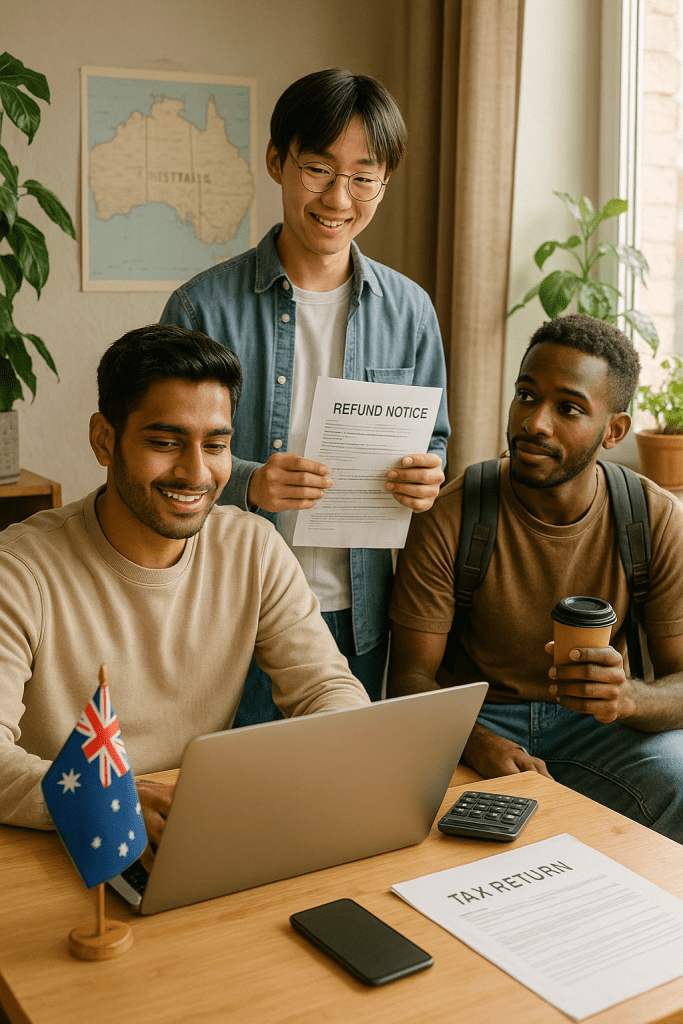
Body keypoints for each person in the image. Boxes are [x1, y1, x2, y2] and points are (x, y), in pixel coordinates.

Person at [0, 324, 370, 850]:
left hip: (194, 831)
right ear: (105, 440)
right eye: (165, 442)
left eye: (215, 444)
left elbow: (325, 690)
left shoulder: (254, 547)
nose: (196, 473)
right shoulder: (19, 569)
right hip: (66, 840)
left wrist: (345, 752)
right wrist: (108, 800)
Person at [160, 68, 448, 722]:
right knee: (233, 806)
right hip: (232, 611)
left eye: (362, 176)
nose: (338, 197)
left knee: (335, 809)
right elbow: (164, 455)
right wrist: (249, 484)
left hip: (358, 615)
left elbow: (434, 440)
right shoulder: (201, 307)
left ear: (384, 181)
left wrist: (428, 475)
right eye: (317, 168)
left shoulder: (410, 312)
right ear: (276, 161)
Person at [388, 313, 683, 843]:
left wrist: (629, 697)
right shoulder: (452, 513)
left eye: (568, 408)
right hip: (480, 720)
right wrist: (474, 743)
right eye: (526, 396)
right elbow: (409, 680)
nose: (535, 423)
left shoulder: (653, 518)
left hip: (601, 729)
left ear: (614, 431)